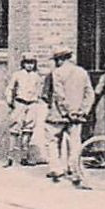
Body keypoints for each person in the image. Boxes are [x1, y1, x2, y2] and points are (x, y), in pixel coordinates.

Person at [42, 47, 94, 186]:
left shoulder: (57, 73)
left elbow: (59, 95)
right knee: (75, 144)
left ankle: (56, 169)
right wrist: (82, 111)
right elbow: (90, 94)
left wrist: (68, 111)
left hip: (58, 115)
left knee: (52, 141)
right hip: (77, 116)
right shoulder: (82, 72)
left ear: (60, 60)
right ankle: (75, 171)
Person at [4, 53, 46, 168]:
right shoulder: (17, 75)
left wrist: (37, 100)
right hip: (19, 103)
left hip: (32, 104)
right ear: (23, 64)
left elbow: (39, 90)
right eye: (27, 63)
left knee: (28, 130)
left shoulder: (36, 76)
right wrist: (10, 101)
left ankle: (24, 157)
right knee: (14, 131)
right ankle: (10, 157)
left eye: (32, 63)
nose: (29, 65)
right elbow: (10, 88)